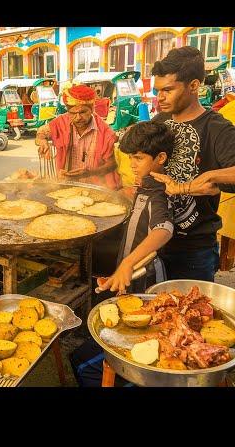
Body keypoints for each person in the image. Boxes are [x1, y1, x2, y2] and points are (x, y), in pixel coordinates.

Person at [145, 46, 235, 282]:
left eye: (168, 90)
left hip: (194, 250)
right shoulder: (160, 121)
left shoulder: (217, 129)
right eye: (157, 91)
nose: (160, 98)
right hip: (155, 237)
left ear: (194, 86)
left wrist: (207, 178)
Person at [97, 121, 175, 294]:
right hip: (130, 270)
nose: (132, 164)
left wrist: (128, 262)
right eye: (130, 157)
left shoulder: (159, 193)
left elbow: (163, 230)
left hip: (146, 275)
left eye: (138, 158)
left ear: (161, 158)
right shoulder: (146, 184)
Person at [35, 84, 119, 189]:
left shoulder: (105, 132)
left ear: (92, 109)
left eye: (83, 112)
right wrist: (42, 141)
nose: (78, 117)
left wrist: (89, 172)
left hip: (95, 187)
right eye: (73, 113)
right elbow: (41, 133)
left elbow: (112, 164)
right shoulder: (61, 122)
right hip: (66, 185)